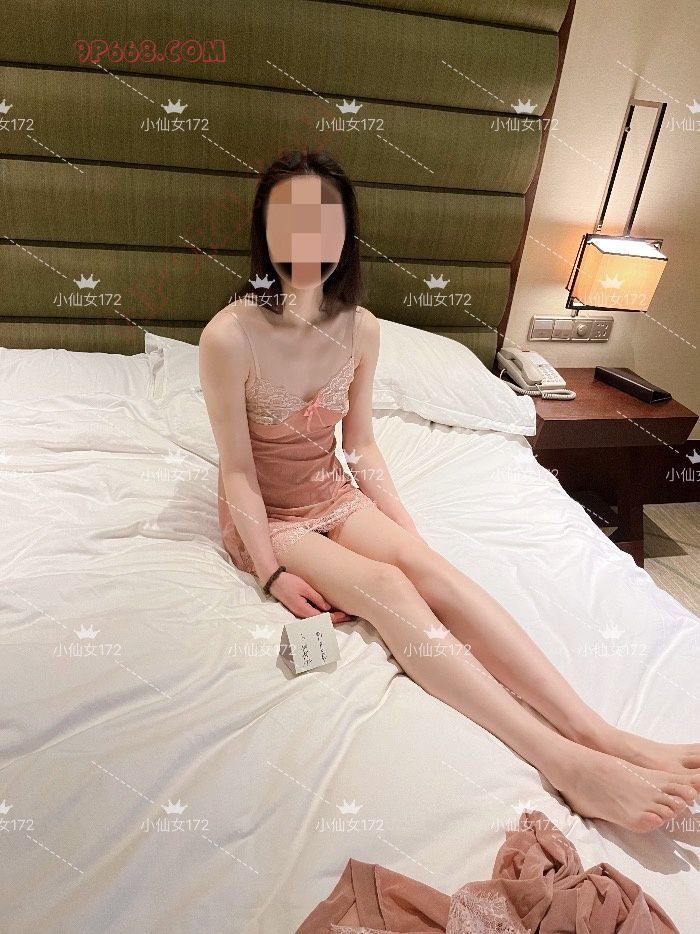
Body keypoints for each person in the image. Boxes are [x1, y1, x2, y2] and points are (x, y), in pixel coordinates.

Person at [199, 149, 700, 834]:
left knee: (433, 573)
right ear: (264, 229)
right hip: (268, 515)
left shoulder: (360, 328)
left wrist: (406, 532)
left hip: (332, 493)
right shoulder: (229, 337)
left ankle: (600, 733)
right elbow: (236, 471)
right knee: (390, 588)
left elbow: (360, 444)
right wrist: (272, 573)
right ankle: (563, 761)